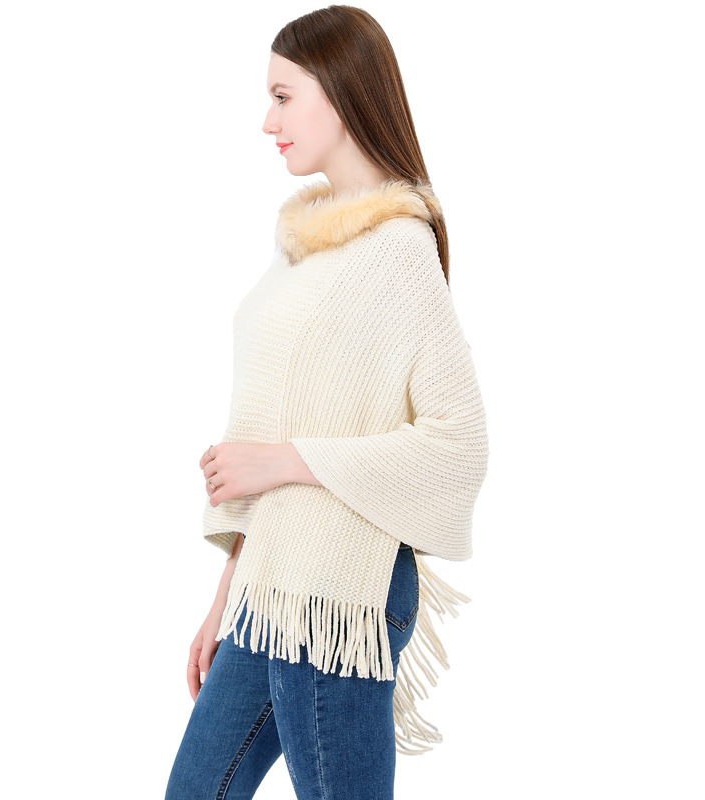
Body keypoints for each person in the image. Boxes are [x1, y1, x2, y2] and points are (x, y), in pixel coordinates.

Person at [164, 6, 488, 799]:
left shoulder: (398, 248)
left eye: (283, 96)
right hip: (271, 586)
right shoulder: (303, 247)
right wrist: (226, 596)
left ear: (340, 95)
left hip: (342, 592)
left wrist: (282, 462)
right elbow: (268, 424)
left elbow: (460, 443)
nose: (266, 121)